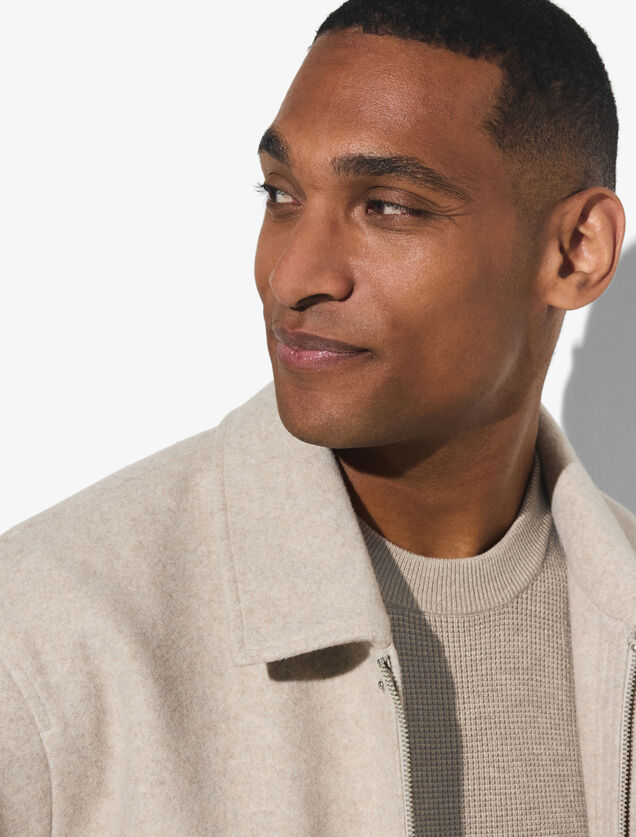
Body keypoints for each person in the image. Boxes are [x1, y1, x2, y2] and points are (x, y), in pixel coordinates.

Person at [1, 0, 634, 834]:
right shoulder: (42, 636)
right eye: (282, 194)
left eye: (389, 206)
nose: (291, 275)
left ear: (578, 250)